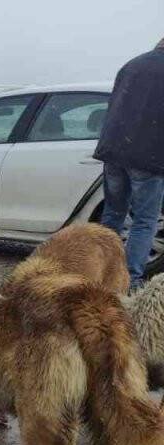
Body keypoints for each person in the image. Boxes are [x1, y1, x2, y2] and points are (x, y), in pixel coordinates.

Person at [95, 38, 164, 288]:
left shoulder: (132, 65)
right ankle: (130, 282)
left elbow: (117, 105)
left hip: (114, 152)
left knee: (113, 215)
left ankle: (103, 275)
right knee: (145, 221)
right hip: (149, 158)